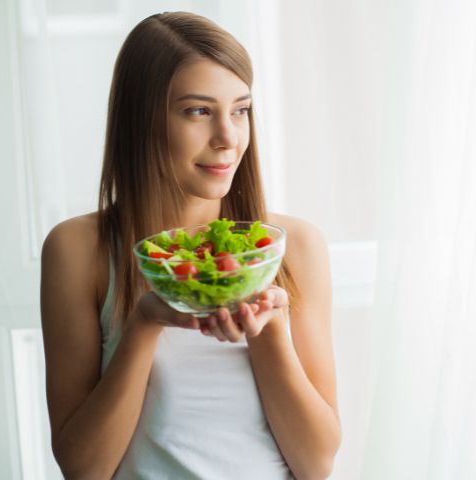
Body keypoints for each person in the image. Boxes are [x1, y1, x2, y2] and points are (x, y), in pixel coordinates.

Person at [40, 11, 341, 479]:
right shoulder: (78, 251)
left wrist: (271, 329)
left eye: (240, 110)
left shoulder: (294, 247)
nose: (228, 139)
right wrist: (143, 324)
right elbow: (84, 470)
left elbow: (316, 463)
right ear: (142, 121)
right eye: (198, 111)